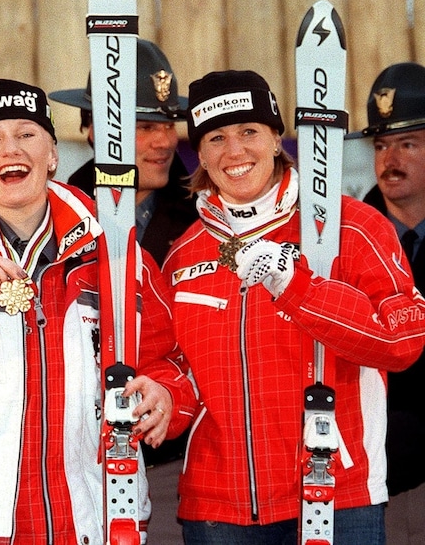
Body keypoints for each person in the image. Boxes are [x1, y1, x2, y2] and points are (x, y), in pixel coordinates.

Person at [0, 78, 196, 544]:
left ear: (53, 155)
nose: (12, 148)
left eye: (28, 134)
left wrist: (169, 396)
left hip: (95, 519)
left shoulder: (114, 250)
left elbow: (170, 360)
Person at [162, 69, 425, 544]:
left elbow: (401, 341)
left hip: (335, 493)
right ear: (199, 154)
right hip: (218, 506)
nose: (235, 151)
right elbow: (177, 367)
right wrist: (161, 399)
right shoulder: (185, 252)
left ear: (277, 138)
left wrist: (297, 286)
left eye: (249, 131)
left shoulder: (354, 227)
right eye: (216, 137)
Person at [352, 62, 425, 544]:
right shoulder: (344, 238)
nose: (389, 159)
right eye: (380, 145)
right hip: (380, 471)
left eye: (407, 143)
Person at [49, 38, 198, 265]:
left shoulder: (203, 218)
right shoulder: (56, 216)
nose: (165, 142)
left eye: (170, 126)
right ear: (96, 131)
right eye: (146, 127)